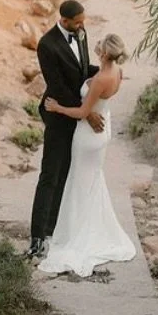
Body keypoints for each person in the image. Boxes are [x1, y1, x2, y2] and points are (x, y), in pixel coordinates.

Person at [38, 34, 136, 279]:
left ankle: (75, 232)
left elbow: (83, 111)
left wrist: (57, 108)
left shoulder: (100, 80)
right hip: (103, 131)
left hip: (87, 136)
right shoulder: (117, 72)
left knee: (79, 184)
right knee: (91, 181)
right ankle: (88, 226)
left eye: (100, 48)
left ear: (104, 53)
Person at [29, 0, 102, 257]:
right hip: (58, 113)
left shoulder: (80, 35)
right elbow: (58, 86)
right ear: (65, 20)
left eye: (84, 20)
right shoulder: (47, 45)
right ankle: (37, 237)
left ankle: (54, 229)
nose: (83, 25)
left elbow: (82, 70)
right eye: (78, 21)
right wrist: (87, 113)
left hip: (75, 114)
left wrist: (107, 71)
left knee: (67, 172)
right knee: (51, 173)